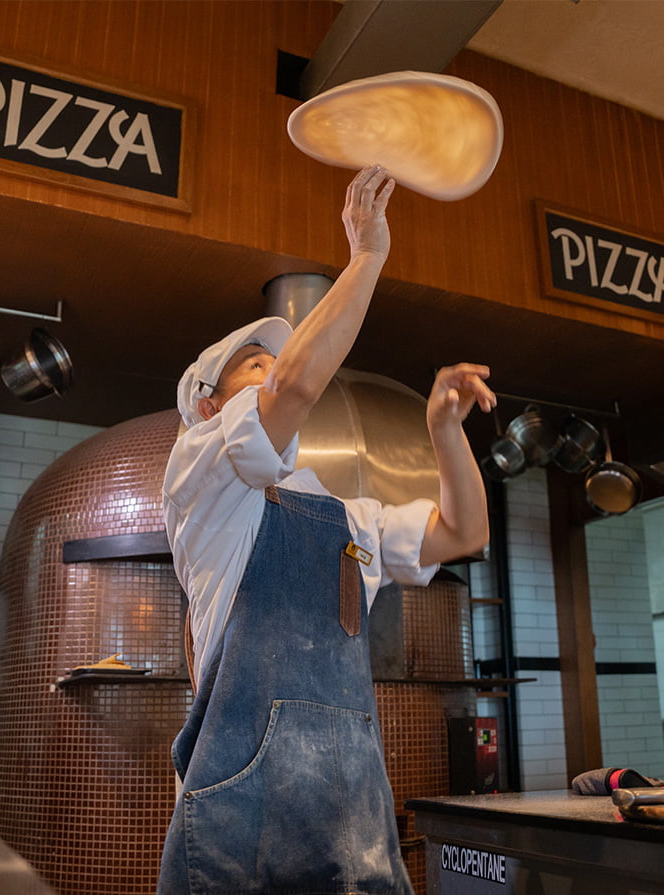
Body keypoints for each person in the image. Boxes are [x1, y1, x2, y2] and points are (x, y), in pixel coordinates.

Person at [157, 165, 496, 895]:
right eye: (256, 365)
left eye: (277, 359)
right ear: (212, 409)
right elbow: (296, 387)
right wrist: (367, 255)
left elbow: (462, 530)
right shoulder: (202, 473)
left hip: (351, 822)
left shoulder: (348, 521)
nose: (277, 370)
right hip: (237, 825)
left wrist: (443, 430)